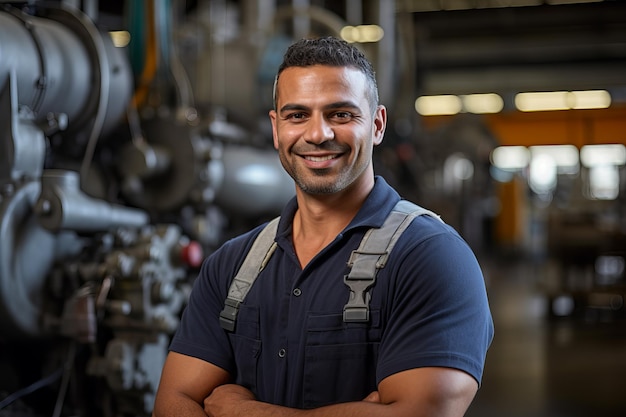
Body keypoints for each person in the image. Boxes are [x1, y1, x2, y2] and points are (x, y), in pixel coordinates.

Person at [153, 36, 493, 417]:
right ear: (276, 127)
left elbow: (421, 414)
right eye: (297, 115)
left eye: (341, 115)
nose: (318, 134)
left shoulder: (432, 258)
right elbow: (172, 403)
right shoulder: (231, 264)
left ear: (377, 125)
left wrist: (241, 411)